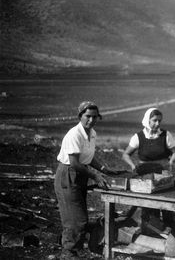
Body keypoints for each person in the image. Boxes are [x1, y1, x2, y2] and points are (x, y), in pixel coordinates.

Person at [54, 101, 111, 260]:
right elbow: (74, 162)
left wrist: (104, 169)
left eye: (94, 117)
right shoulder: (74, 134)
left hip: (81, 174)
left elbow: (89, 157)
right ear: (80, 116)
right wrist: (95, 176)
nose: (91, 120)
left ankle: (73, 246)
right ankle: (68, 252)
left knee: (78, 216)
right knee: (76, 219)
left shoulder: (92, 133)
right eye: (87, 116)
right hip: (68, 174)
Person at [122, 107, 175, 234]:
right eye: (154, 120)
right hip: (146, 176)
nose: (157, 124)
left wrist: (170, 162)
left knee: (167, 204)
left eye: (159, 121)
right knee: (149, 206)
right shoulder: (138, 137)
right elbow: (125, 154)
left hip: (163, 175)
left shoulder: (166, 135)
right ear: (147, 120)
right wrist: (132, 165)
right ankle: (153, 230)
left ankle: (171, 231)